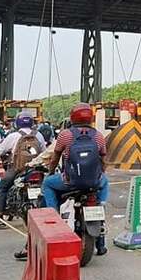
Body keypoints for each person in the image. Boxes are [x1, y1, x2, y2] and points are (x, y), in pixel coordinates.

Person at [42, 103, 110, 256]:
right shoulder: (98, 136)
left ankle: (54, 218)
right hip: (93, 182)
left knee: (47, 184)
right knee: (104, 184)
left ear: (72, 117)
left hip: (69, 182)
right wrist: (100, 174)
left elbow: (55, 157)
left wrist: (51, 172)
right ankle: (101, 243)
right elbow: (103, 160)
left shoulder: (65, 135)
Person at [0, 113, 46, 230]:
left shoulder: (13, 135)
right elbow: (44, 151)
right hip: (36, 169)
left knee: (1, 187)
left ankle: (0, 218)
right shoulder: (39, 135)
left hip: (18, 168)